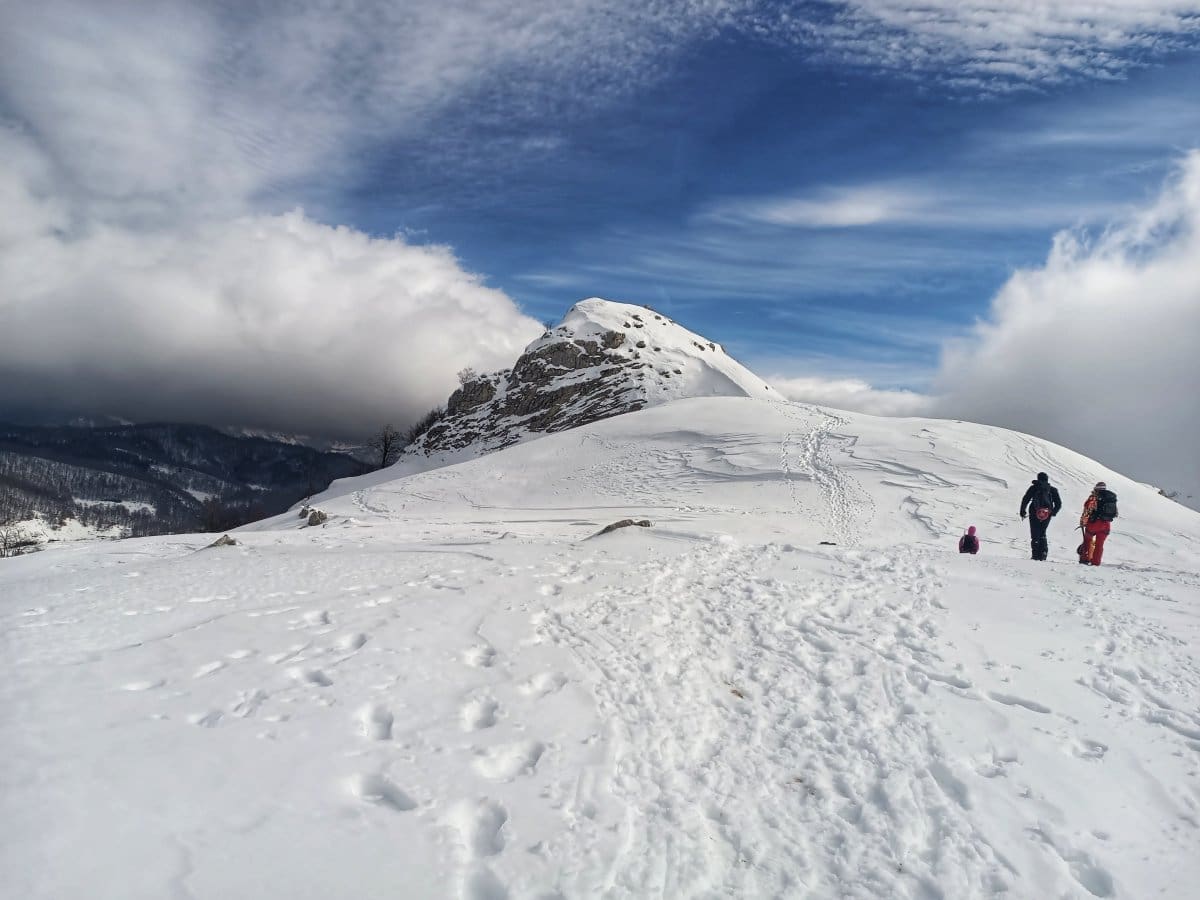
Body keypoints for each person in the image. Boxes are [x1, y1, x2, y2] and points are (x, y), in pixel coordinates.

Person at [1019, 472, 1062, 561]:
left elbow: (1025, 499)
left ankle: (1035, 555)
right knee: (1042, 533)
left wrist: (1022, 511)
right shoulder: (1052, 490)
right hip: (1047, 514)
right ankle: (1043, 553)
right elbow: (1058, 503)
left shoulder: (1034, 488)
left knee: (1035, 533)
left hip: (1034, 512)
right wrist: (1053, 512)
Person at [1079, 481, 1118, 566]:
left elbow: (1087, 510)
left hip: (1094, 523)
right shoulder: (1111, 498)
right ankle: (1096, 563)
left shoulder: (1094, 497)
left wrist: (1082, 521)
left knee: (1087, 541)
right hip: (1106, 525)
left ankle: (1085, 559)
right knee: (1099, 545)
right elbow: (1115, 514)